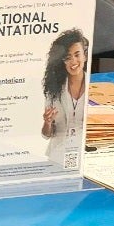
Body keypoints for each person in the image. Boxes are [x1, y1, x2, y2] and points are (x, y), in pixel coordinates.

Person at [41, 27, 89, 166]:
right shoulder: (54, 89)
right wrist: (47, 122)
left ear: (84, 55)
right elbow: (46, 135)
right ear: (62, 61)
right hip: (57, 157)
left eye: (77, 54)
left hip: (86, 156)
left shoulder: (94, 86)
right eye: (67, 57)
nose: (73, 61)